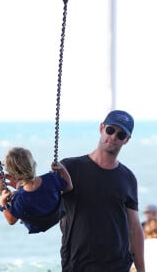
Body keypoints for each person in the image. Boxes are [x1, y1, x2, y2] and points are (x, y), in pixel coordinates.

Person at [60, 110, 145, 272]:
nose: (113, 136)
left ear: (126, 140)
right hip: (76, 265)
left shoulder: (128, 178)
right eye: (111, 130)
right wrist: (16, 195)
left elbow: (134, 227)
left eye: (121, 135)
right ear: (102, 128)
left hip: (117, 266)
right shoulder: (69, 168)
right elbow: (44, 201)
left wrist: (142, 269)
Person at [0, 147, 73, 234]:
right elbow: (69, 186)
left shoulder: (19, 198)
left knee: (15, 199)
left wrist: (3, 202)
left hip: (36, 225)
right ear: (34, 164)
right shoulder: (51, 178)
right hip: (56, 215)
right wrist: (62, 169)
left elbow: (11, 220)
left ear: (13, 175)